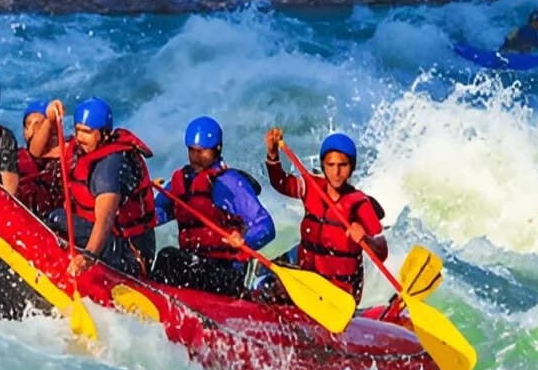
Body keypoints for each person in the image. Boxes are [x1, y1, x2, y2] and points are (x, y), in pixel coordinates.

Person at [150, 116, 275, 297]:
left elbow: (266, 226)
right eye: (191, 151)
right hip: (196, 266)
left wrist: (243, 240)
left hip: (226, 273)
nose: (195, 158)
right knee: (169, 258)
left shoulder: (231, 183)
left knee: (168, 257)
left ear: (217, 149)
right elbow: (154, 215)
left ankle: (156, 301)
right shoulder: (181, 181)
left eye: (202, 152)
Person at [262, 127, 387, 305]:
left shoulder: (360, 204)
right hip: (307, 277)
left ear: (351, 167)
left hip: (338, 291)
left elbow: (382, 251)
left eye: (343, 165)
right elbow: (281, 183)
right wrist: (273, 155)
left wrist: (366, 239)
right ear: (323, 166)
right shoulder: (311, 187)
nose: (336, 172)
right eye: (331, 165)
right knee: (266, 284)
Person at [53, 97, 157, 278]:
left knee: (56, 218)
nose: (80, 138)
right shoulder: (82, 150)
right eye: (78, 130)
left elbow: (105, 218)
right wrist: (49, 113)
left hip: (131, 254)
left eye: (87, 132)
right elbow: (39, 151)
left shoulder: (110, 167)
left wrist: (89, 256)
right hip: (114, 242)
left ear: (105, 134)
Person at [16, 98, 64, 217]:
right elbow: (34, 151)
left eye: (38, 124)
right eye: (28, 125)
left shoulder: (66, 154)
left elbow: (36, 150)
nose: (32, 129)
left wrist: (50, 119)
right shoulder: (18, 158)